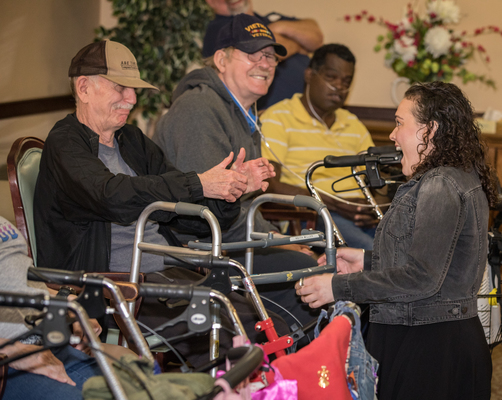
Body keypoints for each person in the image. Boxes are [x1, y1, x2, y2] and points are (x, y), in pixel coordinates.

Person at [32, 39, 276, 367]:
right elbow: (112, 196)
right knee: (238, 344)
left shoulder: (131, 140)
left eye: (133, 90)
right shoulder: (65, 144)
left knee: (270, 328)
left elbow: (186, 218)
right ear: (85, 88)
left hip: (168, 275)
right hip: (113, 287)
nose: (131, 99)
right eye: (121, 88)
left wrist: (231, 190)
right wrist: (199, 183)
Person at [295, 82, 498, 399]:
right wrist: (365, 260)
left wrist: (336, 287)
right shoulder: (454, 176)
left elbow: (422, 279)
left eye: (400, 123)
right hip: (436, 338)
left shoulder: (440, 185)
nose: (392, 135)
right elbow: (437, 263)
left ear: (429, 131)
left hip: (429, 348)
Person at [154, 13, 320, 327]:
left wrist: (276, 237)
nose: (266, 63)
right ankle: (287, 372)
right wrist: (275, 241)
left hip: (234, 242)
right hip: (200, 253)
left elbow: (245, 204)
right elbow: (205, 214)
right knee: (312, 280)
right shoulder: (198, 111)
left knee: (324, 268)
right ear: (221, 59)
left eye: (270, 56)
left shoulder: (241, 113)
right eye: (252, 54)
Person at [260, 44, 379, 250]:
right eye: (331, 77)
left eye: (346, 81)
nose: (339, 87)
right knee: (372, 253)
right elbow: (269, 185)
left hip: (357, 217)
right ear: (309, 75)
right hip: (311, 217)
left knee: (406, 247)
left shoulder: (354, 125)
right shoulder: (278, 118)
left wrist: (371, 209)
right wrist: (332, 204)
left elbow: (377, 180)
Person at [0, 216, 134, 399]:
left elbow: (20, 283)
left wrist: (69, 303)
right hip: (10, 363)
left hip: (46, 345)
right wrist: (12, 350)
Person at [203, 0, 323, 109]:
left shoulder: (271, 19)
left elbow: (316, 37)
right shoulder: (220, 28)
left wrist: (277, 26)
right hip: (274, 114)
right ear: (211, 2)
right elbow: (271, 50)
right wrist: (298, 45)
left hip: (313, 108)